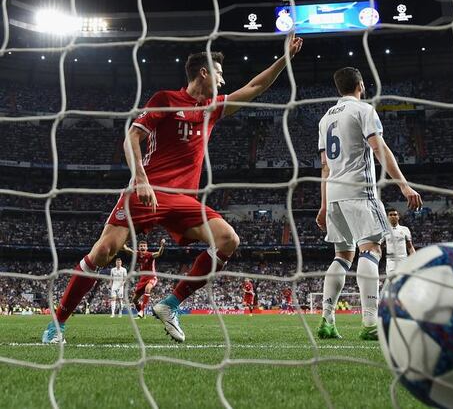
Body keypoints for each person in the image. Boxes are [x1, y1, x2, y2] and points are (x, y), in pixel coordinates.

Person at [42, 36, 304, 344]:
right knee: (102, 252)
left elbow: (255, 88)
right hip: (148, 190)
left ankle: (170, 304)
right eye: (218, 73)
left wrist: (284, 58)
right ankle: (56, 324)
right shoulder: (165, 98)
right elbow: (131, 138)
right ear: (203, 73)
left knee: (228, 240)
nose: (223, 80)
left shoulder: (213, 108)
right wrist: (140, 178)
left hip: (182, 200)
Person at [315, 67, 422, 340]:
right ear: (361, 85)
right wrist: (403, 184)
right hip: (359, 190)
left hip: (335, 194)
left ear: (339, 88)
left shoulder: (325, 119)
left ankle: (327, 321)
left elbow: (325, 168)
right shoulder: (363, 110)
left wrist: (324, 205)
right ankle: (370, 324)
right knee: (371, 250)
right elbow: (378, 148)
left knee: (342, 256)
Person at [122, 239, 165, 318]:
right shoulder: (137, 254)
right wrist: (122, 243)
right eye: (141, 246)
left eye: (144, 246)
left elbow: (159, 253)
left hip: (152, 277)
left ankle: (142, 310)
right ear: (138, 247)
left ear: (147, 248)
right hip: (142, 279)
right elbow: (127, 250)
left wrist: (162, 246)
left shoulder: (150, 255)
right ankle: (141, 314)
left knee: (148, 288)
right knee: (134, 300)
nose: (142, 247)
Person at [382, 208, 415, 276]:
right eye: (390, 215)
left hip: (403, 259)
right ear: (387, 217)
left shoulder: (405, 229)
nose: (393, 216)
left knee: (403, 281)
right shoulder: (384, 231)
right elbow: (380, 247)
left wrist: (415, 258)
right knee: (392, 281)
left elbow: (410, 247)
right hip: (390, 260)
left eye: (395, 214)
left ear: (398, 217)